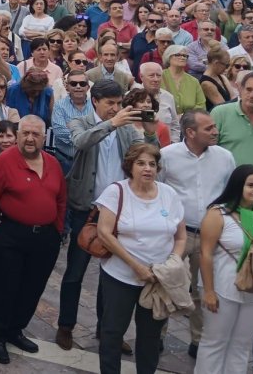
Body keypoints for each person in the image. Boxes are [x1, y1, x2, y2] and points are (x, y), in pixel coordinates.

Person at [58, 80, 151, 351]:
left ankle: (106, 329)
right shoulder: (80, 121)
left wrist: (148, 132)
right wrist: (112, 123)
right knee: (75, 272)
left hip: (116, 212)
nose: (115, 108)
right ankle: (65, 326)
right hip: (85, 211)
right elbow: (81, 142)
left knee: (111, 276)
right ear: (95, 101)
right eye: (110, 103)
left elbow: (146, 153)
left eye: (118, 103)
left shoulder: (125, 128)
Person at [94, 143, 188, 374]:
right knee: (113, 331)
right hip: (120, 276)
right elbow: (104, 233)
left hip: (156, 279)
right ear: (130, 166)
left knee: (151, 335)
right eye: (141, 163)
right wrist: (135, 266)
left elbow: (181, 237)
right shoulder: (116, 191)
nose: (147, 168)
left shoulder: (169, 194)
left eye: (152, 164)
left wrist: (172, 264)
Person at [0, 115, 66, 365]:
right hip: (10, 236)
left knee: (32, 288)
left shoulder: (52, 163)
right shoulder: (3, 162)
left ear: (43, 137)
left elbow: (61, 199)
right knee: (4, 288)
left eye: (35, 134)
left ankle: (15, 330)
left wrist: (57, 230)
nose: (30, 138)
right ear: (17, 135)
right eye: (25, 133)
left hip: (45, 237)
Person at [159, 110, 236, 357]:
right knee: (167, 285)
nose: (216, 131)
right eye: (209, 128)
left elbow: (229, 194)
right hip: (176, 235)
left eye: (215, 127)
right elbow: (159, 191)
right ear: (190, 132)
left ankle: (198, 341)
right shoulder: (167, 156)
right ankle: (157, 335)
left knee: (204, 289)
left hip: (209, 236)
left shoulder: (225, 158)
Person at [195, 164, 253, 374]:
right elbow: (205, 253)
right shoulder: (218, 213)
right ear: (238, 185)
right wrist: (209, 291)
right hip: (223, 287)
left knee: (241, 345)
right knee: (214, 342)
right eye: (250, 185)